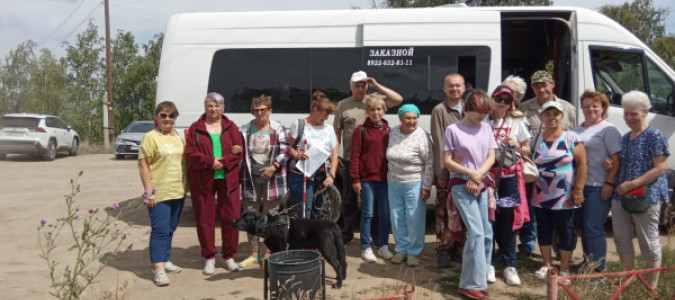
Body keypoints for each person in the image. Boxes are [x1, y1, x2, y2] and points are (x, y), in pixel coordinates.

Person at [335, 70, 403, 247]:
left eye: (363, 85)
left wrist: (377, 85)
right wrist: (333, 156)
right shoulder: (343, 105)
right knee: (349, 199)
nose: (360, 88)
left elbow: (398, 99)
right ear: (350, 86)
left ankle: (376, 236)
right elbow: (336, 133)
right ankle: (347, 233)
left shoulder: (374, 102)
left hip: (375, 161)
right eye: (357, 85)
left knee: (376, 203)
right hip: (352, 158)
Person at [612, 91, 670, 288]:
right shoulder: (626, 137)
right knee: (621, 238)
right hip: (622, 195)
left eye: (634, 114)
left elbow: (660, 168)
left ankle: (650, 285)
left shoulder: (654, 135)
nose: (629, 118)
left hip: (646, 195)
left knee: (648, 240)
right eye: (626, 113)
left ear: (646, 112)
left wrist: (632, 184)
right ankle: (627, 279)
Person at [443, 90, 497, 299]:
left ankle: (480, 280)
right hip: (460, 183)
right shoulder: (453, 130)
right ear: (469, 109)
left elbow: (491, 155)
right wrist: (471, 174)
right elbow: (447, 161)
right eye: (479, 113)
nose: (482, 117)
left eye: (485, 113)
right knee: (475, 231)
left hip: (481, 182)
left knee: (487, 232)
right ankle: (468, 283)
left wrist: (478, 176)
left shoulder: (486, 128)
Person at [517, 70, 576, 259]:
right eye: (536, 85)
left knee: (562, 221)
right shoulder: (524, 108)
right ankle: (528, 248)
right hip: (536, 174)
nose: (541, 89)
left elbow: (573, 139)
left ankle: (560, 252)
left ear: (552, 84)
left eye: (544, 84)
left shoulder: (568, 109)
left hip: (562, 179)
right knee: (536, 218)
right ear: (532, 88)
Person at [185, 92, 244, 275]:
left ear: (223, 108)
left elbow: (239, 152)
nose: (214, 109)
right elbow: (191, 154)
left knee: (231, 217)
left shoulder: (231, 126)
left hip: (228, 180)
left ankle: (229, 257)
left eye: (217, 105)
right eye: (210, 105)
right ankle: (209, 257)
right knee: (204, 219)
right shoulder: (196, 128)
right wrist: (210, 162)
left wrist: (223, 162)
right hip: (203, 180)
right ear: (205, 107)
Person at [531, 100, 587, 284]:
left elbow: (582, 164)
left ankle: (564, 268)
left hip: (565, 195)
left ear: (561, 116)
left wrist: (578, 189)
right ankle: (546, 265)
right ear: (542, 117)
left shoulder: (571, 137)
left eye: (555, 114)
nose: (551, 117)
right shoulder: (536, 138)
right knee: (544, 229)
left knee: (566, 230)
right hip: (540, 193)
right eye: (547, 114)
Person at [137, 101, 187, 286]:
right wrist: (149, 192)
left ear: (175, 119)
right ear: (156, 118)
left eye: (171, 115)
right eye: (163, 115)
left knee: (171, 227)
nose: (167, 119)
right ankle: (158, 269)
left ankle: (165, 260)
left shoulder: (178, 137)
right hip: (159, 192)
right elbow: (143, 165)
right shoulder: (150, 137)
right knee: (160, 230)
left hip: (178, 190)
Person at [237, 94, 291, 268]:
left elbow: (285, 150)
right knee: (250, 216)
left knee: (271, 217)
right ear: (253, 112)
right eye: (256, 110)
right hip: (250, 179)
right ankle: (254, 253)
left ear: (270, 111)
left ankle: (268, 252)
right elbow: (239, 153)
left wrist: (273, 167)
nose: (260, 113)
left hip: (273, 179)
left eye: (263, 110)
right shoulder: (245, 130)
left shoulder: (278, 129)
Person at [571, 90, 621, 273]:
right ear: (582, 108)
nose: (591, 108)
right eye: (586, 105)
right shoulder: (575, 130)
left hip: (598, 186)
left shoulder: (608, 129)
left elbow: (617, 159)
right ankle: (587, 263)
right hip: (579, 186)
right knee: (584, 227)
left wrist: (609, 183)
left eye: (595, 105)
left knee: (594, 227)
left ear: (603, 107)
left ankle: (598, 271)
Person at [486, 85, 531, 286]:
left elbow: (528, 150)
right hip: (487, 177)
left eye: (507, 100)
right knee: (489, 219)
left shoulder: (517, 121)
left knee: (508, 219)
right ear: (492, 99)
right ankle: (489, 263)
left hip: (509, 178)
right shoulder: (483, 119)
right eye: (499, 99)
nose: (502, 103)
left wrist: (517, 145)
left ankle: (510, 264)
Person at [386, 104, 433, 267]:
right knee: (397, 217)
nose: (411, 121)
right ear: (400, 118)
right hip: (393, 181)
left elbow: (430, 162)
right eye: (408, 118)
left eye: (414, 118)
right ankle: (401, 249)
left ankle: (414, 252)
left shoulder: (423, 135)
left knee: (414, 218)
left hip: (414, 181)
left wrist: (426, 186)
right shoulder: (393, 132)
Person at [350, 93, 393, 263]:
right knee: (367, 213)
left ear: (384, 111)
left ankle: (383, 245)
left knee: (384, 214)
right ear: (368, 111)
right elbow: (355, 156)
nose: (376, 112)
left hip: (385, 179)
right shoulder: (361, 130)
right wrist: (355, 179)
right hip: (367, 179)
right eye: (373, 109)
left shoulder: (389, 130)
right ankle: (366, 247)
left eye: (379, 109)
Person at [430, 73, 466, 268]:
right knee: (444, 212)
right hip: (448, 171)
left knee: (463, 211)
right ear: (444, 89)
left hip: (467, 172)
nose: (455, 89)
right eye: (451, 86)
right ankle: (444, 249)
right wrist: (443, 173)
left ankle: (459, 249)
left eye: (458, 86)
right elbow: (439, 142)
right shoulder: (439, 110)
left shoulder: (470, 108)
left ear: (464, 87)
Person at [288, 91, 339, 219]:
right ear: (315, 109)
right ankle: (303, 239)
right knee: (304, 212)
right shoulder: (299, 125)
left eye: (329, 114)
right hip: (301, 176)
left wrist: (331, 176)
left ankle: (315, 239)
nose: (327, 117)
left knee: (318, 214)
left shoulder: (329, 129)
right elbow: (288, 147)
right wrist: (298, 155)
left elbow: (335, 154)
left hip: (322, 177)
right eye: (324, 113)